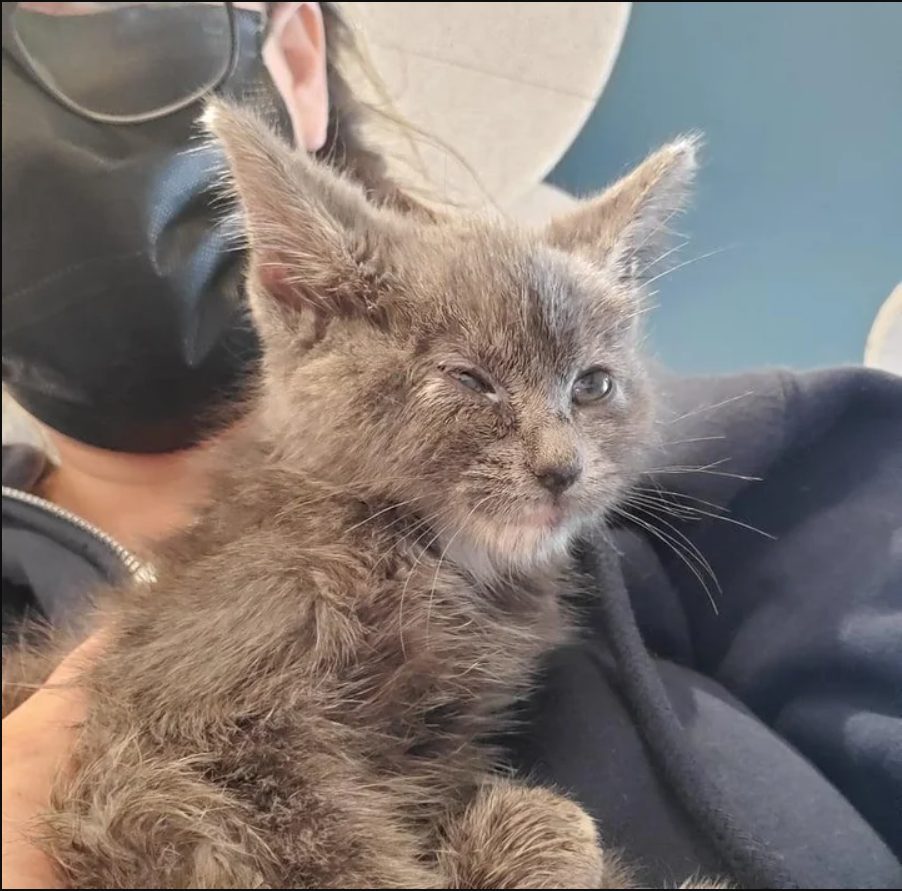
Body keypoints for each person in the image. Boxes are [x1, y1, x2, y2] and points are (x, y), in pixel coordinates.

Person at [2, 3, 900, 888]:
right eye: (470, 383)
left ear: (297, 53)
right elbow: (203, 786)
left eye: (592, 387)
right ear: (304, 296)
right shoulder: (307, 561)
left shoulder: (778, 457)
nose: (560, 454)